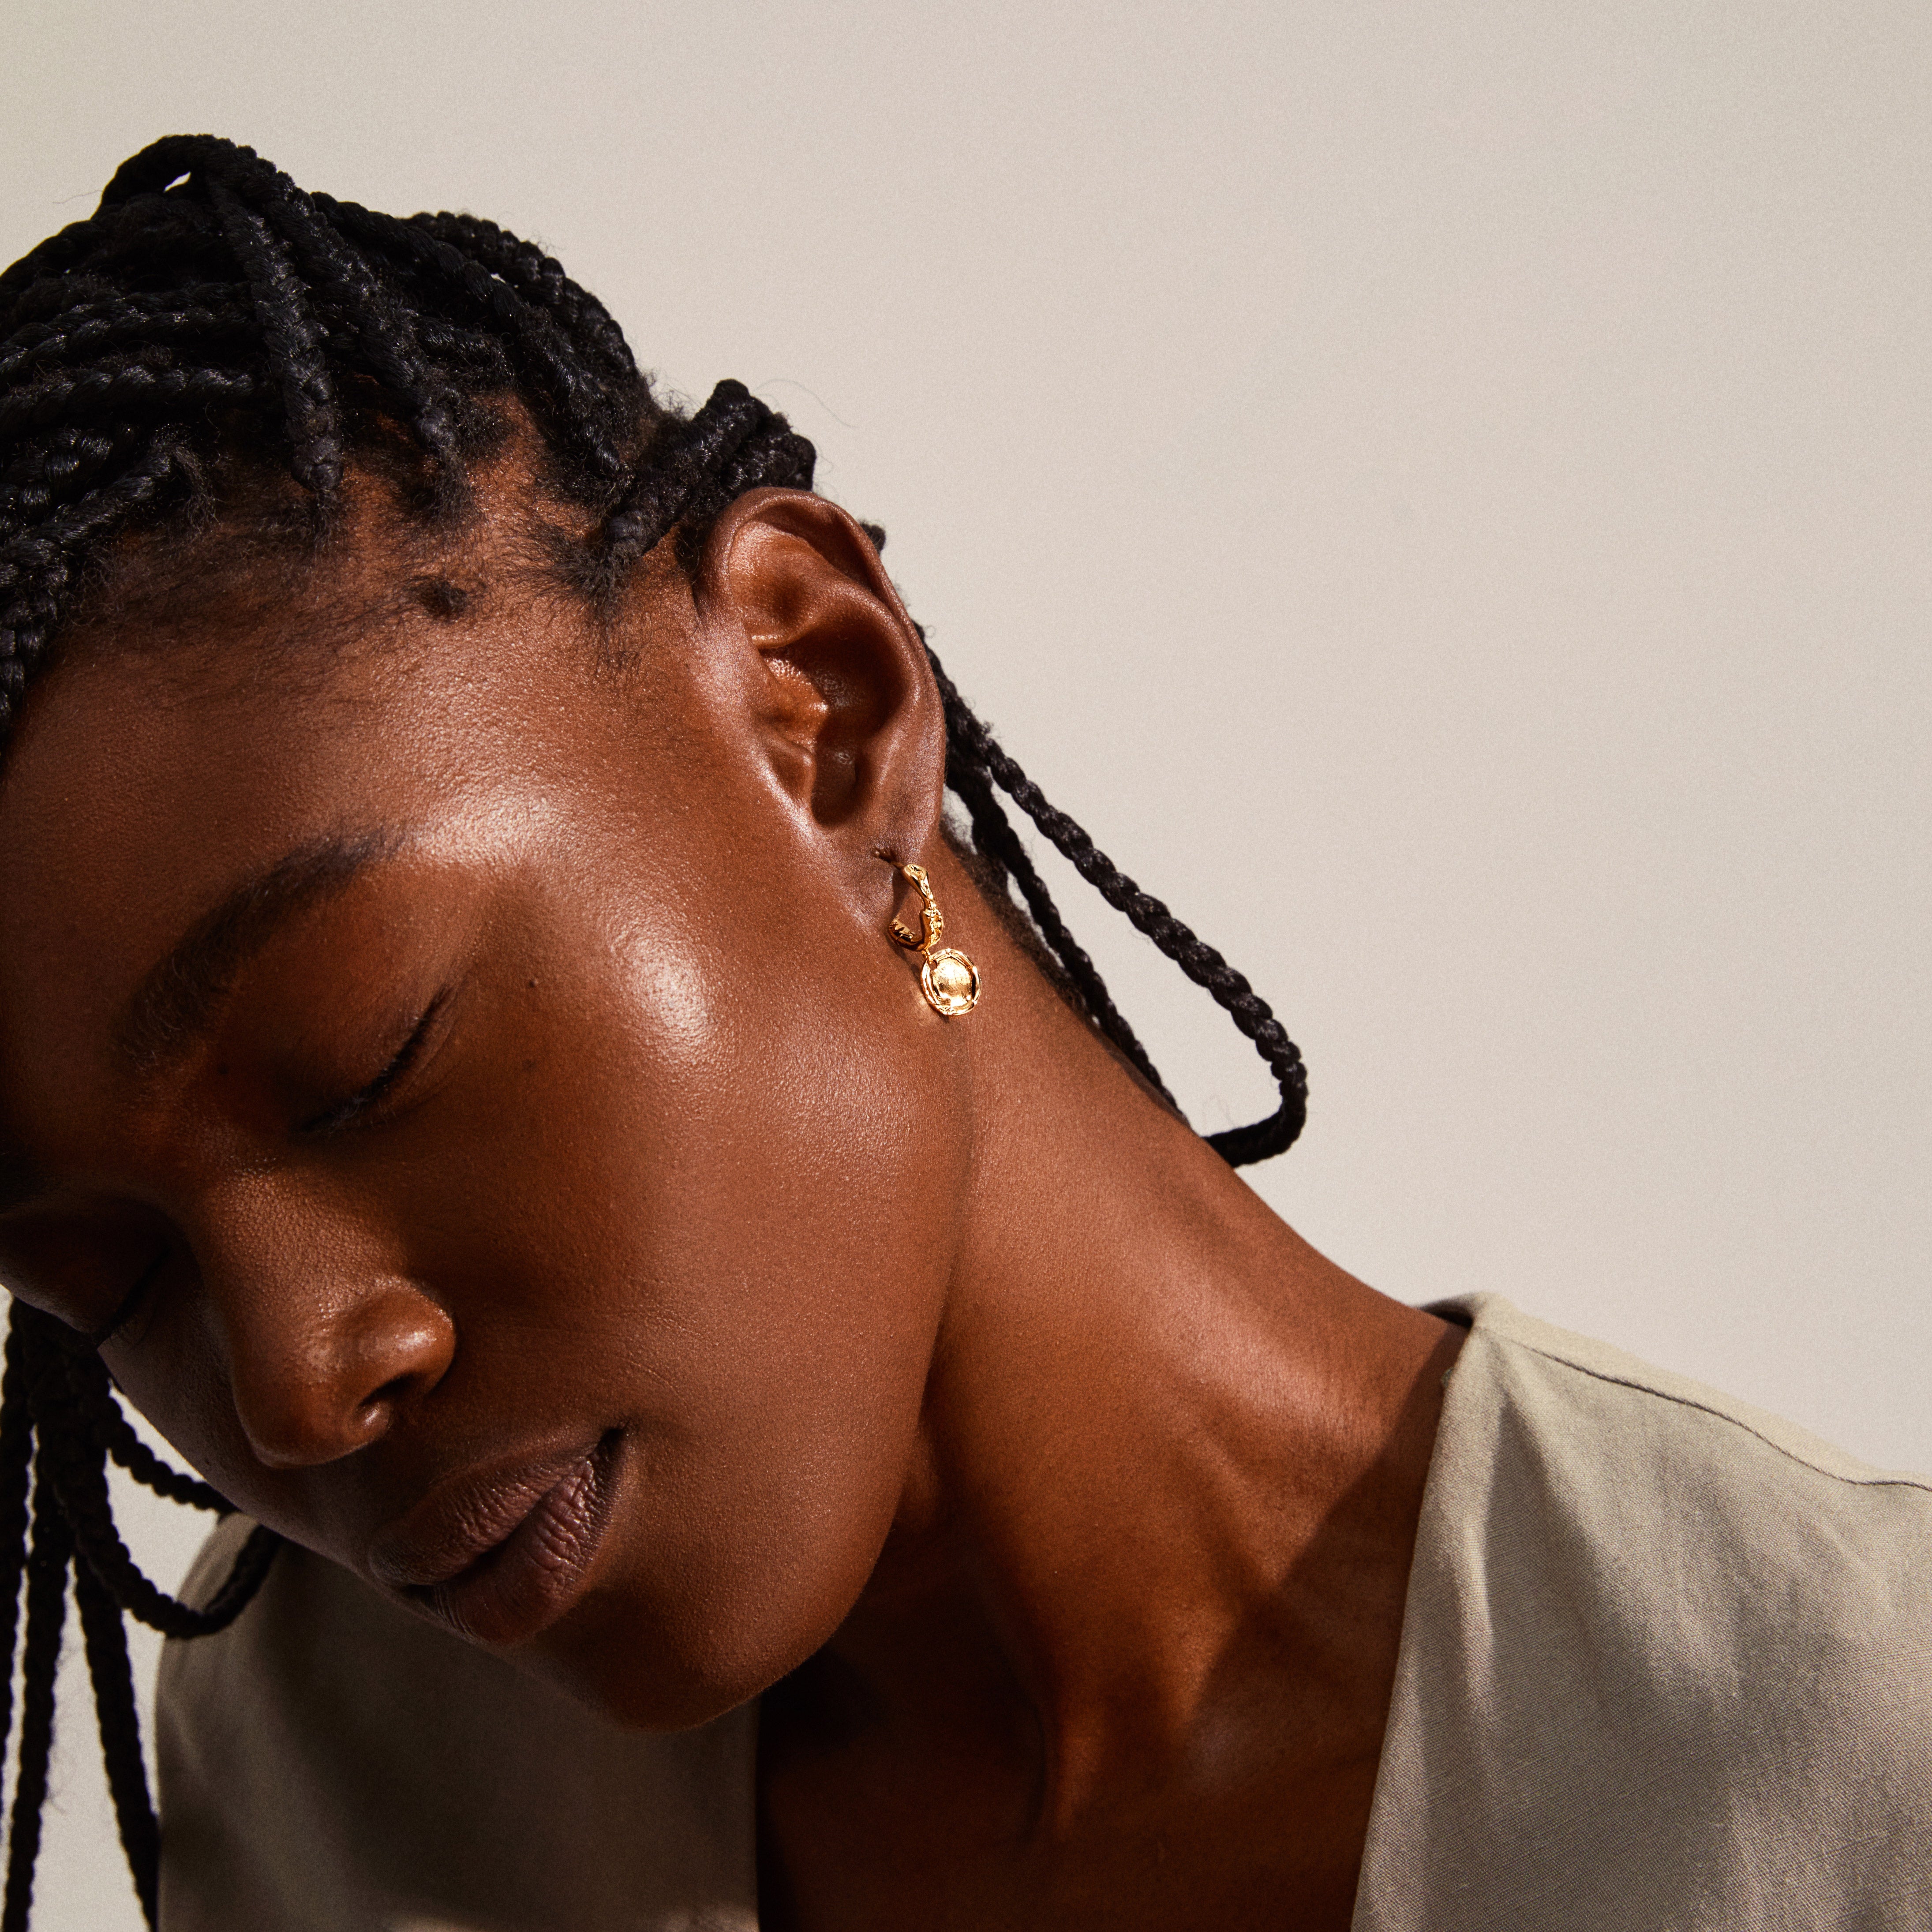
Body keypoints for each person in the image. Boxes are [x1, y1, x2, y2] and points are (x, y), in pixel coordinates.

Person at [0, 135, 1925, 1932]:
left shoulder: (1848, 1776)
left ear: (820, 714)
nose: (290, 1392)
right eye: (111, 1281)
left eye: (365, 1060)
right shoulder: (335, 1790)